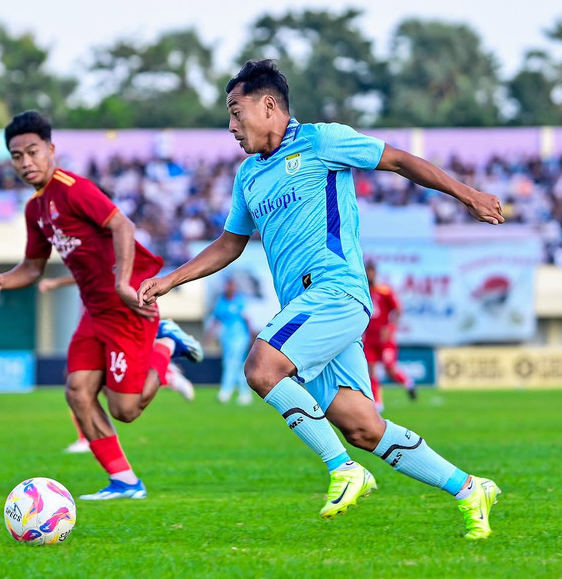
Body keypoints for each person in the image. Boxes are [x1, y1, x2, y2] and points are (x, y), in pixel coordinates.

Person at [137, 59, 504, 540]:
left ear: (269, 106)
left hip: (336, 290)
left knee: (261, 369)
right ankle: (469, 488)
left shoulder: (322, 140)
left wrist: (466, 193)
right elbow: (230, 243)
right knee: (363, 427)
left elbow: (398, 160)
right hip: (305, 309)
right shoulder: (249, 176)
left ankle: (343, 470)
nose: (231, 125)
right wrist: (173, 278)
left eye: (235, 110)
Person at [0, 110, 203, 501]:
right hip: (94, 311)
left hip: (126, 304)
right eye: (17, 156)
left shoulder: (74, 188)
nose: (26, 162)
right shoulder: (35, 209)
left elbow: (123, 226)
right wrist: (3, 279)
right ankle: (125, 482)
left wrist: (121, 281)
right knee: (77, 390)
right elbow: (32, 267)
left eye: (33, 152)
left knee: (126, 410)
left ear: (50, 150)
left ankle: (165, 346)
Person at [37, 274, 196, 454]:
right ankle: (167, 372)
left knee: (123, 407)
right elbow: (83, 272)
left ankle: (165, 352)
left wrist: (55, 281)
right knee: (84, 382)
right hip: (95, 321)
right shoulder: (88, 265)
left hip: (113, 324)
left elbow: (108, 273)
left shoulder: (112, 257)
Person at [362, 259, 416, 412]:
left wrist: (390, 327)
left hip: (384, 338)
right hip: (369, 338)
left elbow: (397, 310)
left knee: (389, 368)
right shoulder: (363, 290)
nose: (370, 274)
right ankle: (377, 402)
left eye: (372, 271)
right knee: (371, 369)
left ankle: (408, 382)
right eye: (368, 271)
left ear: (376, 273)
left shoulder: (384, 291)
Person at [206, 276, 253, 405]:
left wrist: (252, 338)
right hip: (226, 338)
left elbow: (247, 320)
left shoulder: (240, 301)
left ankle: (225, 391)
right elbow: (216, 320)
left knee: (231, 362)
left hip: (240, 337)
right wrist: (209, 336)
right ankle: (245, 393)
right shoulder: (221, 302)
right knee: (235, 364)